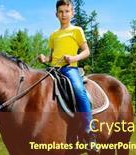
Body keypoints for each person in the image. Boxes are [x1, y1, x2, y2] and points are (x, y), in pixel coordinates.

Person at [38, 0, 98, 152]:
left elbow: (86, 51)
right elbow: (51, 58)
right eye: (61, 11)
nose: (64, 14)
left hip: (69, 69)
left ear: (72, 13)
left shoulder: (76, 30)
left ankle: (89, 132)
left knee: (80, 91)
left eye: (67, 11)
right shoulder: (53, 35)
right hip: (53, 70)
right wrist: (44, 59)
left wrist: (73, 58)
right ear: (56, 14)